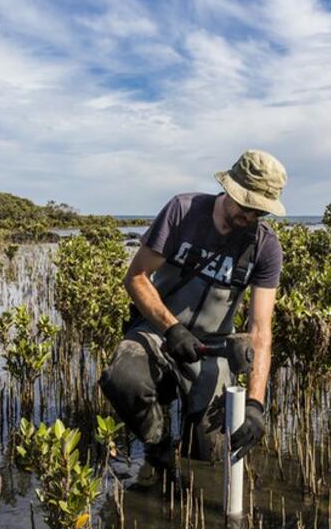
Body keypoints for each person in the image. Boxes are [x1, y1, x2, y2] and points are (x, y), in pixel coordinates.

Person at [99, 150, 286, 475]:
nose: (250, 216)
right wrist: (172, 329)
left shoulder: (264, 246)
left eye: (259, 211)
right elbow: (136, 277)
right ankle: (157, 450)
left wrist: (255, 404)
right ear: (229, 189)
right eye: (245, 204)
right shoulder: (182, 211)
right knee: (123, 379)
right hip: (157, 332)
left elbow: (261, 331)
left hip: (211, 349)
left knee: (206, 454)